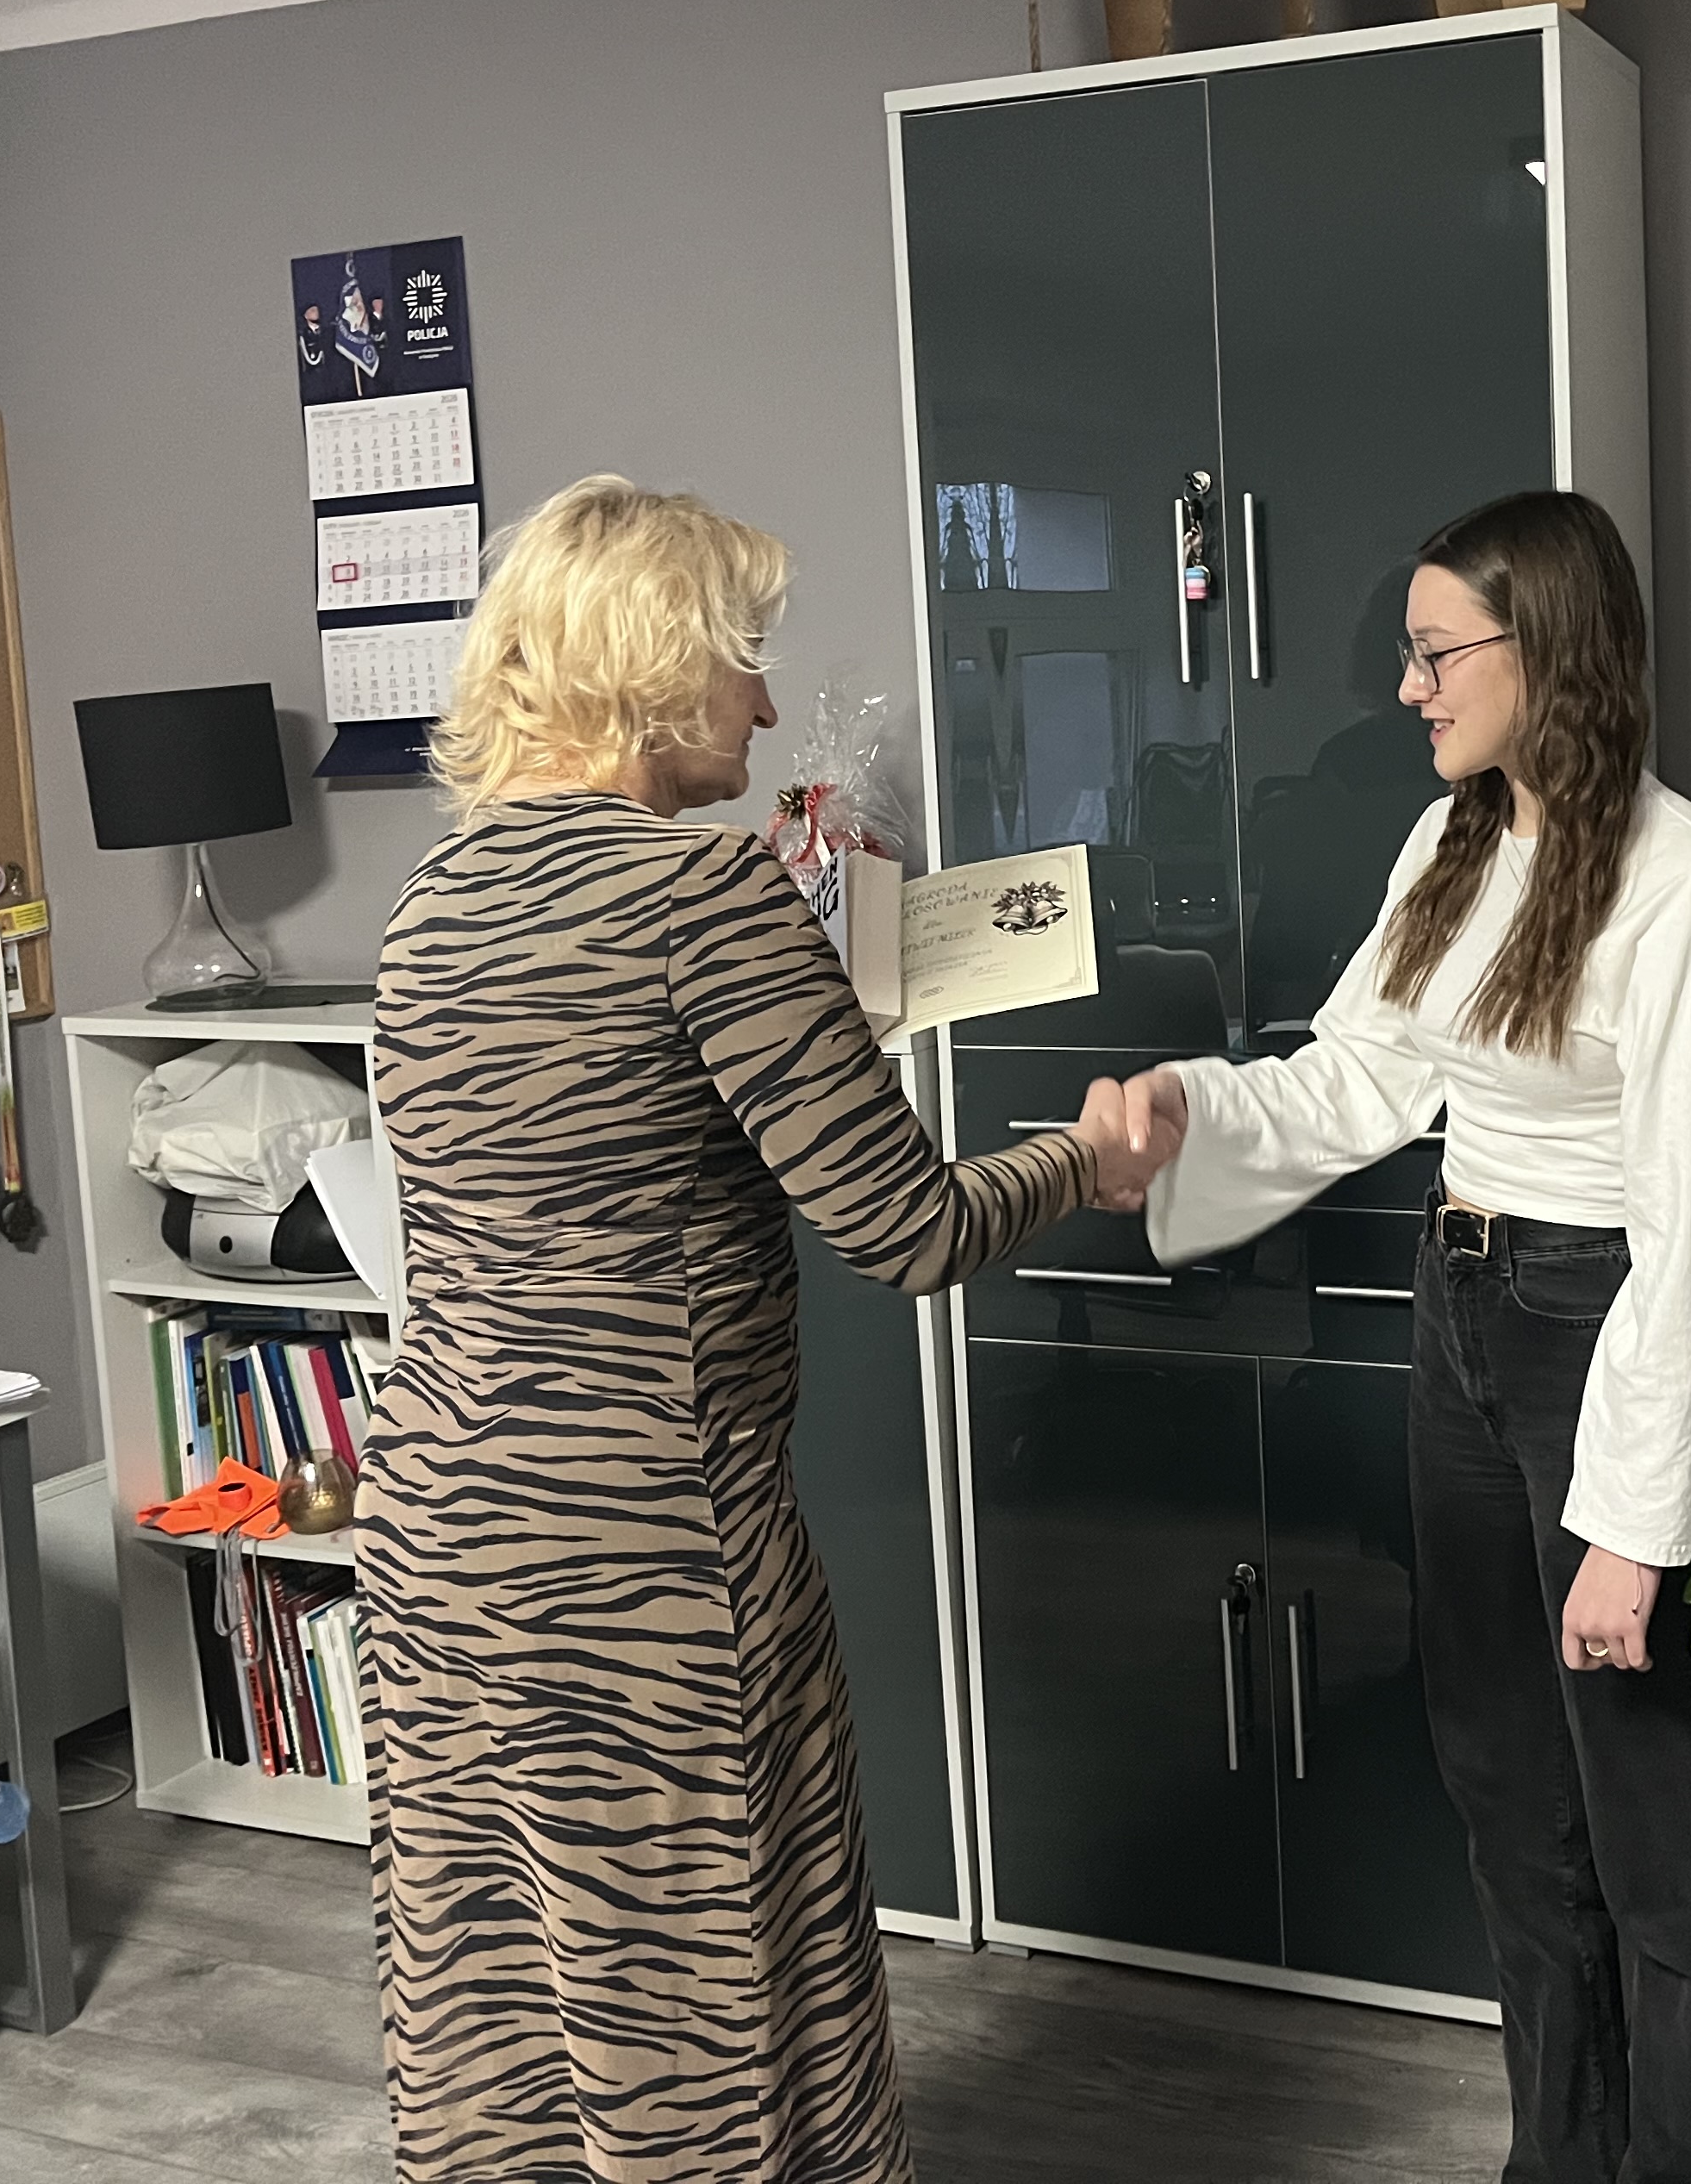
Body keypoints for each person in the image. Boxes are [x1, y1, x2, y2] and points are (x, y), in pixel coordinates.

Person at [361, 474, 1157, 2184]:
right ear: (656, 667)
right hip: (645, 1560)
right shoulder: (705, 898)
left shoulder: (430, 910)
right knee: (704, 2009)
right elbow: (911, 1227)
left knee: (498, 1996)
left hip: (438, 1542)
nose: (770, 705)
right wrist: (1082, 1159)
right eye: (745, 658)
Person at [1123, 490, 1691, 2183]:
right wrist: (1184, 1112)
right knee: (1508, 1793)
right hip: (1465, 1312)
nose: (1408, 688)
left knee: (1658, 1816)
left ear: (1546, 649)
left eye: (1436, 654)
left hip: (1602, 1330)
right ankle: (1559, 2163)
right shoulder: (1452, 844)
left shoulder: (1680, 881)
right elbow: (1360, 1077)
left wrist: (1636, 1529)